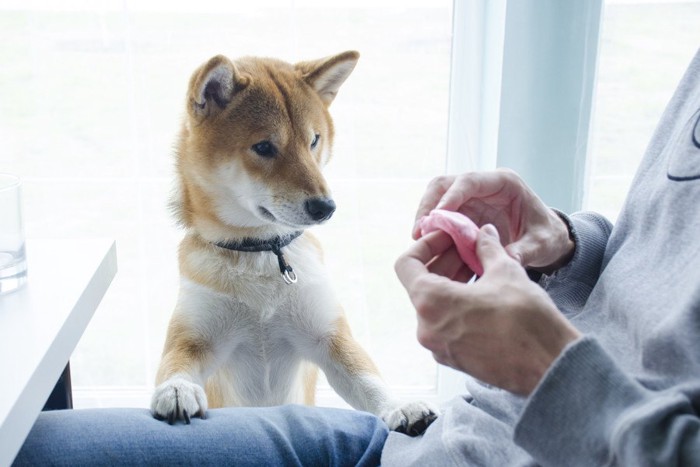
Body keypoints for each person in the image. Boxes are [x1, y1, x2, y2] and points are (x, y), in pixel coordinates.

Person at [14, 48, 700, 466]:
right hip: (438, 440)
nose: (311, 182)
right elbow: (648, 256)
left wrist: (551, 366)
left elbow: (334, 348)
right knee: (25, 445)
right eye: (270, 151)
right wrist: (567, 249)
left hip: (478, 445)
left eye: (311, 148)